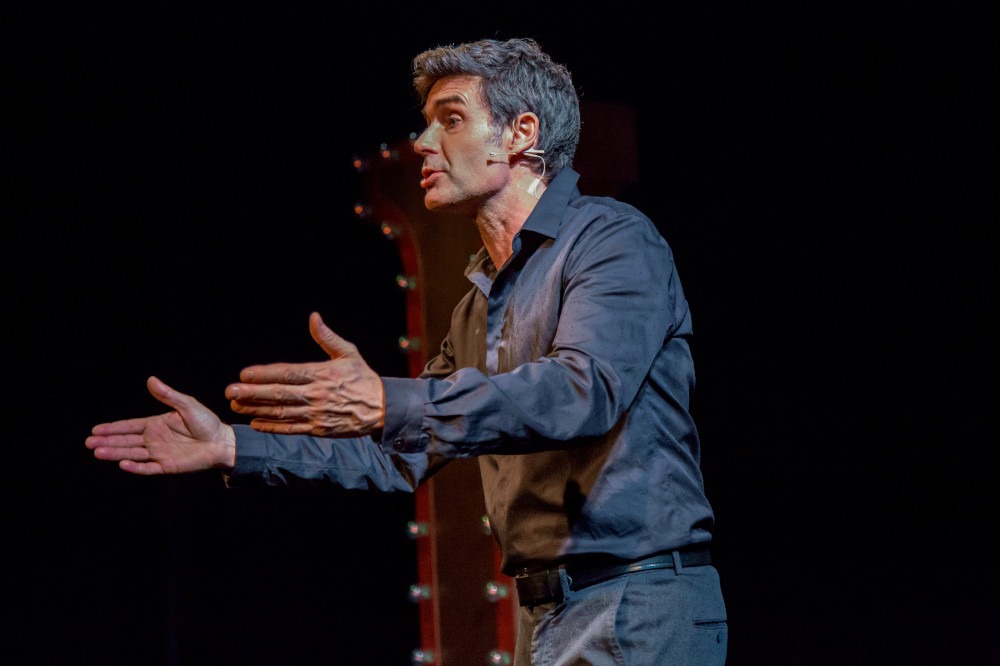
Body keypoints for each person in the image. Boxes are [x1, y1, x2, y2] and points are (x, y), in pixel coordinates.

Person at [87, 37, 728, 664]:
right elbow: (401, 449)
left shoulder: (612, 240)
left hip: (637, 603)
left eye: (451, 119)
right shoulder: (477, 305)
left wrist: (389, 401)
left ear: (521, 133)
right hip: (545, 614)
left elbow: (582, 391)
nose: (423, 142)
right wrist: (234, 446)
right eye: (427, 123)